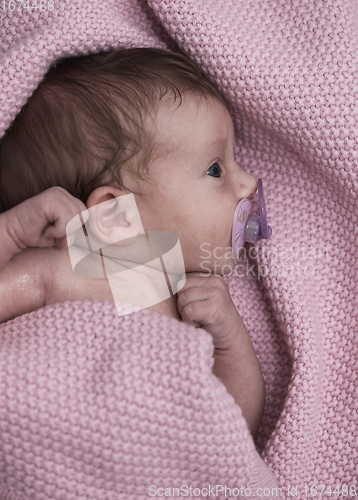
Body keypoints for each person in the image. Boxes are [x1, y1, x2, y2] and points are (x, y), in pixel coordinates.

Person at [0, 47, 265, 438]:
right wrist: (9, 234)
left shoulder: (185, 300)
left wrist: (230, 341)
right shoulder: (60, 270)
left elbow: (234, 431)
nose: (249, 184)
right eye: (215, 169)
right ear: (115, 213)